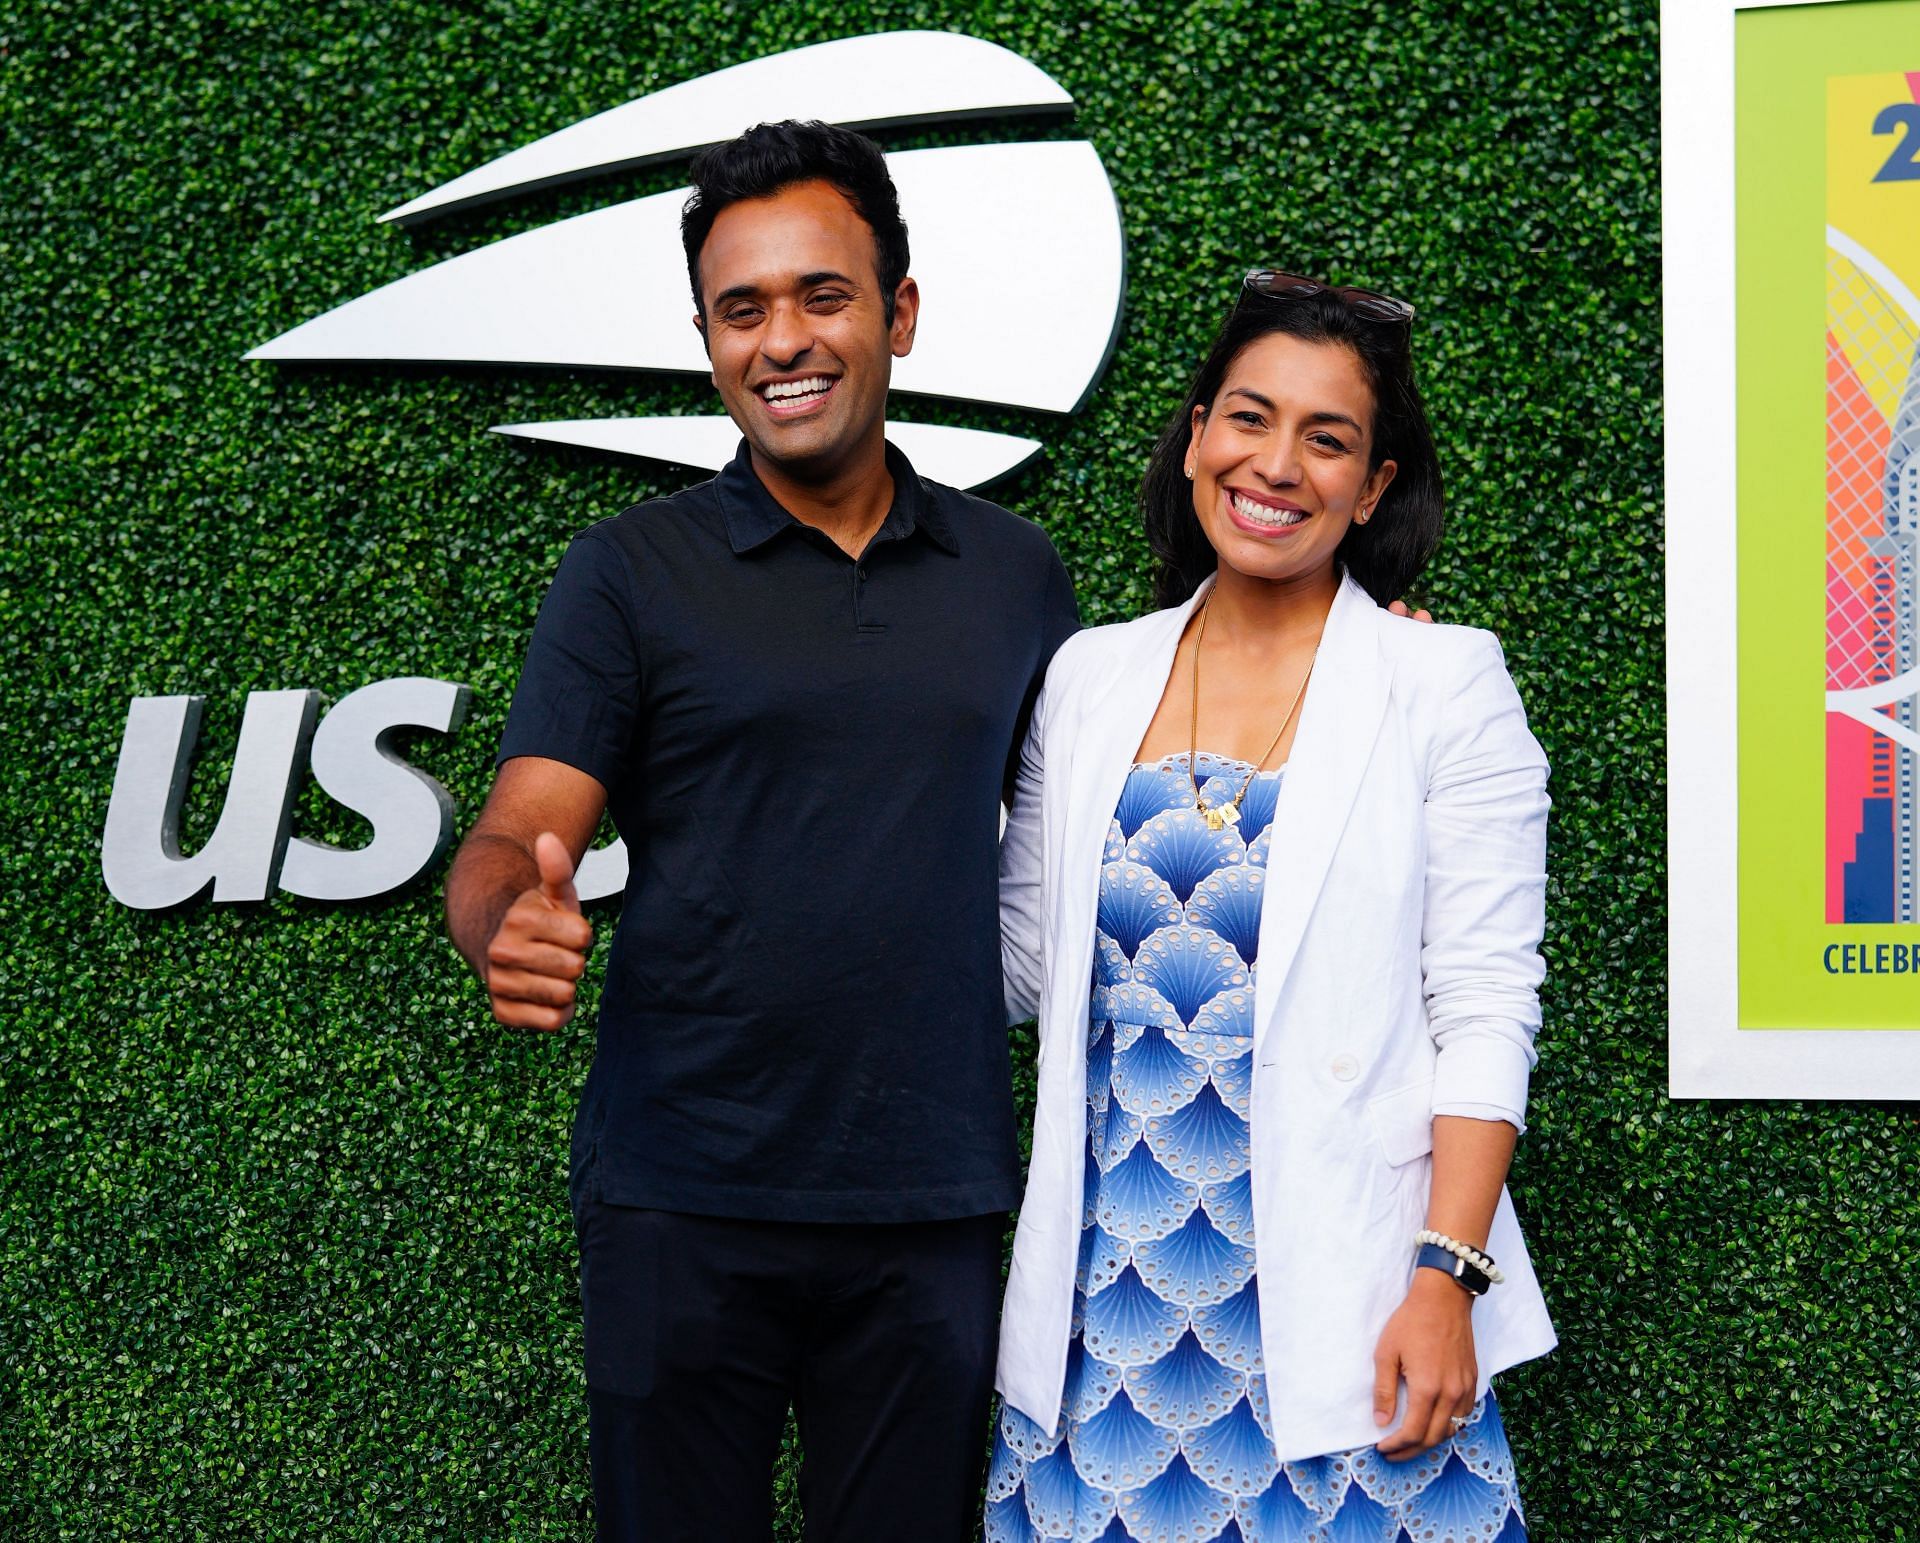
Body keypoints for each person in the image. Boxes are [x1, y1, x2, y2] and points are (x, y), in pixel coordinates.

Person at [441, 121, 1082, 1541]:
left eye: (822, 295)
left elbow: (1148, 777)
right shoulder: (627, 571)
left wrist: (1363, 665)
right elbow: (515, 827)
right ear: (707, 337)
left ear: (899, 313)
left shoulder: (1016, 576)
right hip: (682, 1194)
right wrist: (503, 920)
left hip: (930, 1193)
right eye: (744, 309)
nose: (782, 339)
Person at [986, 271, 1556, 1541]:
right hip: (1107, 1306)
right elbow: (1016, 965)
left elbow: (1483, 1004)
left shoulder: (1442, 680)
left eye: (1328, 438)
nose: (1277, 464)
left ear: (1375, 485)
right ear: (1196, 436)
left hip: (1354, 1303)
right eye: (1249, 418)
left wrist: (1445, 1279)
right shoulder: (1089, 677)